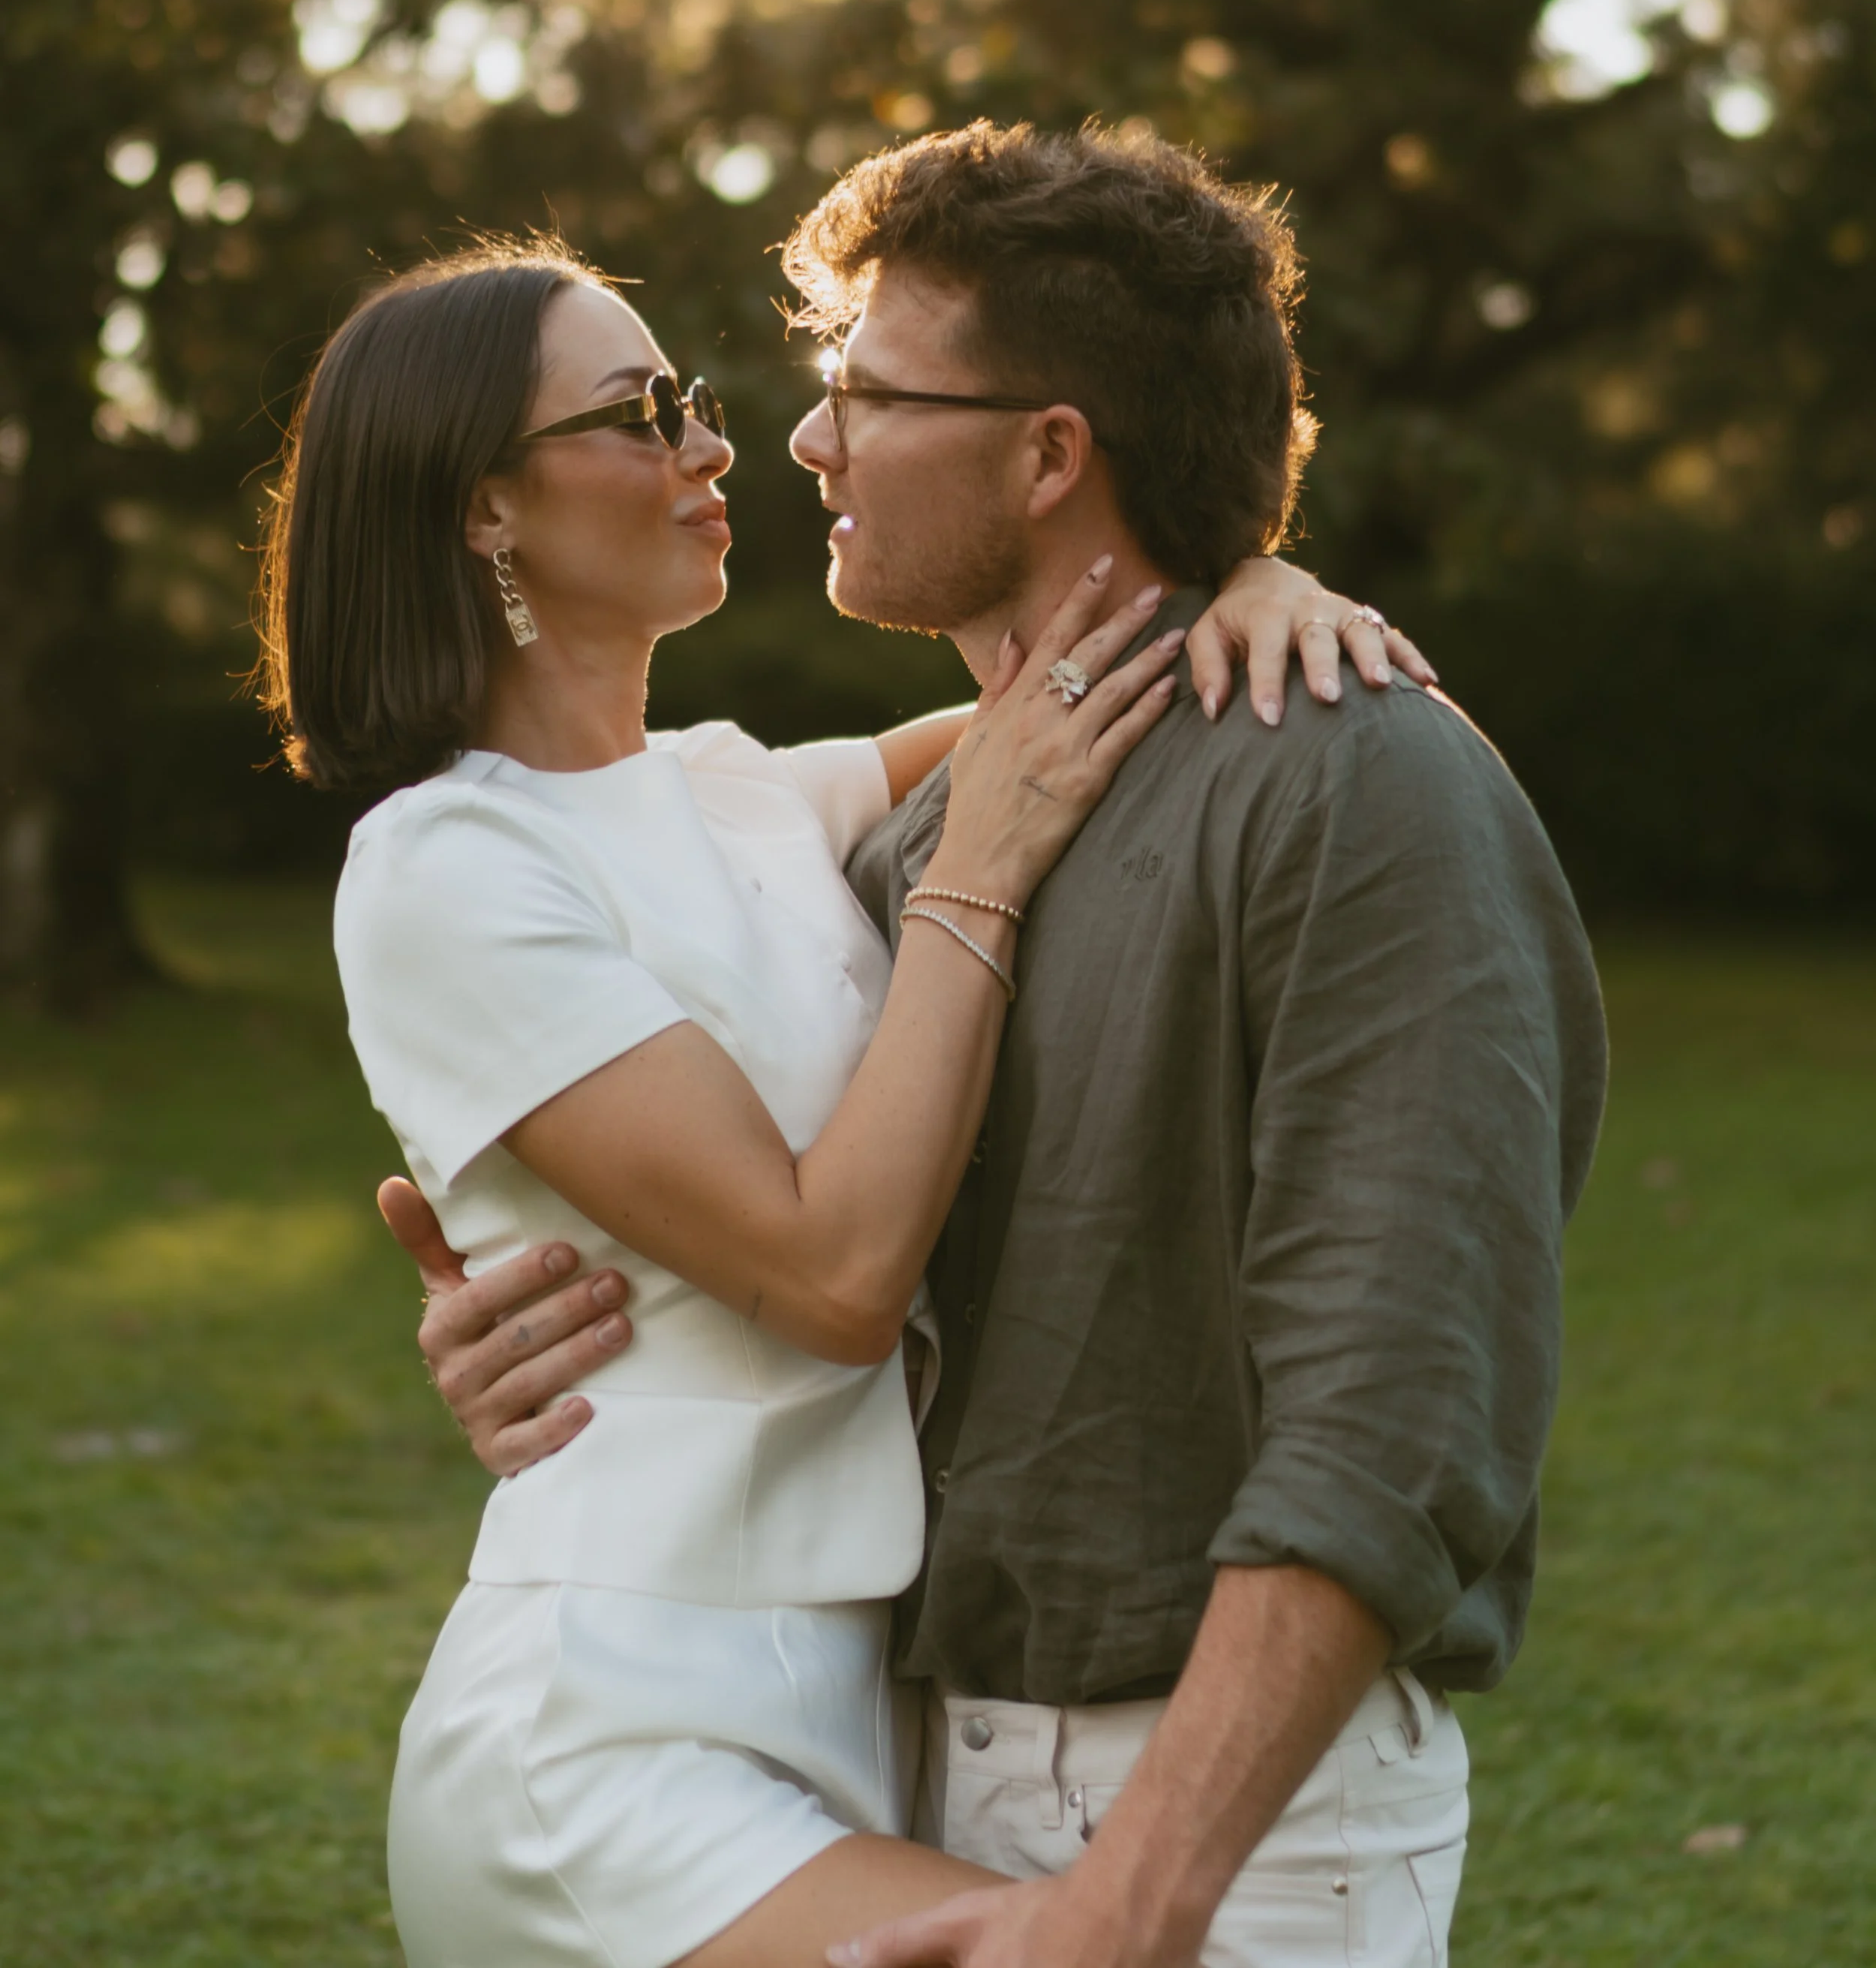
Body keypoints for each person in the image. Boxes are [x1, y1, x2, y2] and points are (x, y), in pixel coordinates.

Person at [402, 122, 1607, 1968]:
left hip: (1231, 1836)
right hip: (908, 1775)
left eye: (863, 393)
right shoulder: (912, 846)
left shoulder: (1355, 780)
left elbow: (1397, 1415)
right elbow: (854, 1255)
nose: (800, 441)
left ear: (1050, 451)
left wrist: (1142, 1889)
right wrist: (578, 1323)